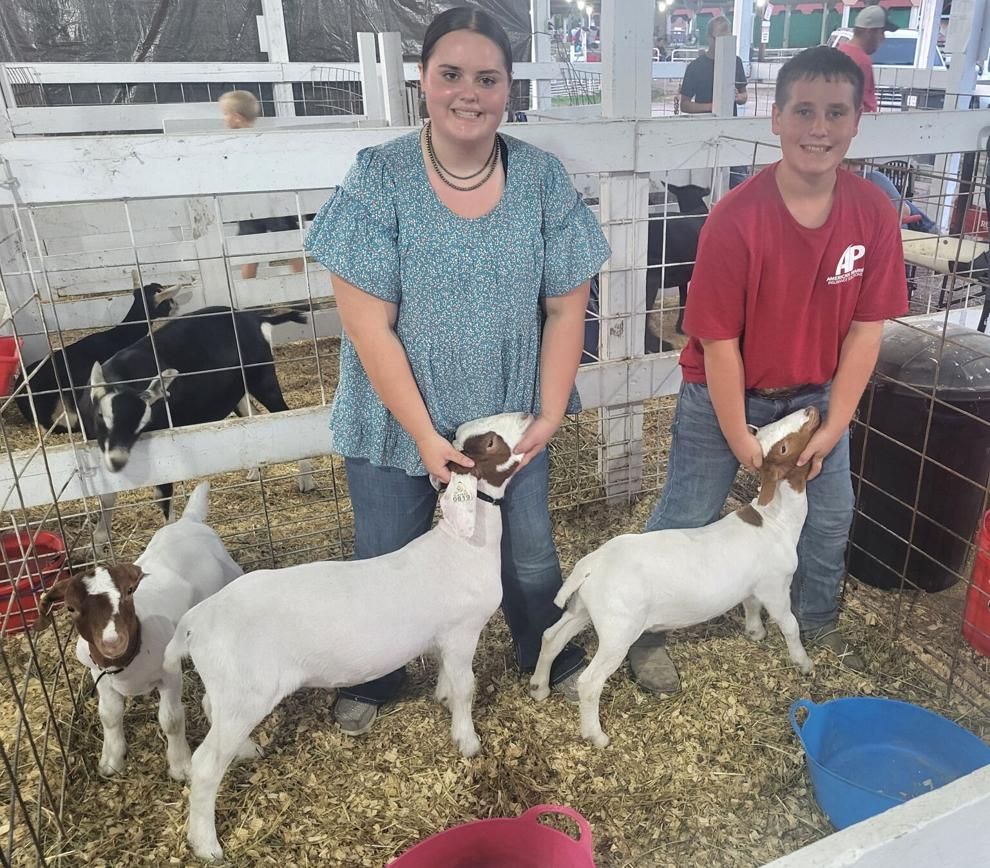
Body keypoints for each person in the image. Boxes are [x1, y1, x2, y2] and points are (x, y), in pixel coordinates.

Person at [304, 7, 610, 736]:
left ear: (508, 88)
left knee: (529, 555)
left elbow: (568, 309)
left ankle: (542, 645)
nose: (468, 93)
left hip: (504, 422)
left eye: (487, 77)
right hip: (394, 417)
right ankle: (375, 672)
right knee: (387, 556)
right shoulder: (380, 178)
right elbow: (366, 323)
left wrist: (550, 410)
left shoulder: (539, 179)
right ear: (424, 81)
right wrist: (421, 434)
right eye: (451, 75)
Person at [628, 46, 908, 696]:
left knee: (832, 513)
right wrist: (739, 440)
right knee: (690, 510)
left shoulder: (871, 214)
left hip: (812, 397)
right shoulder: (736, 219)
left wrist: (836, 423)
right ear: (775, 118)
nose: (820, 127)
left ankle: (816, 624)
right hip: (722, 394)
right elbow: (718, 342)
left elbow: (868, 331)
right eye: (803, 111)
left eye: (836, 112)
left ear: (857, 121)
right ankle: (642, 626)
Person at [218, 90, 306, 280]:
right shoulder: (261, 138)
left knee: (259, 246)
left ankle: (251, 288)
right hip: (262, 201)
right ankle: (299, 280)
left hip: (263, 202)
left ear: (237, 118)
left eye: (225, 114)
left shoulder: (238, 142)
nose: (224, 119)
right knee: (282, 242)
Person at [679, 16, 750, 187]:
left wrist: (737, 97)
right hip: (703, 133)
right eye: (719, 38)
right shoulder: (695, 67)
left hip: (732, 132)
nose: (723, 42)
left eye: (728, 37)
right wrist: (713, 107)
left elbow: (744, 96)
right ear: (709, 38)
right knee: (705, 184)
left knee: (739, 182)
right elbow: (685, 104)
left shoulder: (736, 61)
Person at [835, 5, 896, 113]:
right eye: (882, 32)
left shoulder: (840, 51)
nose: (883, 38)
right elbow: (863, 104)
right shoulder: (862, 61)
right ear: (870, 32)